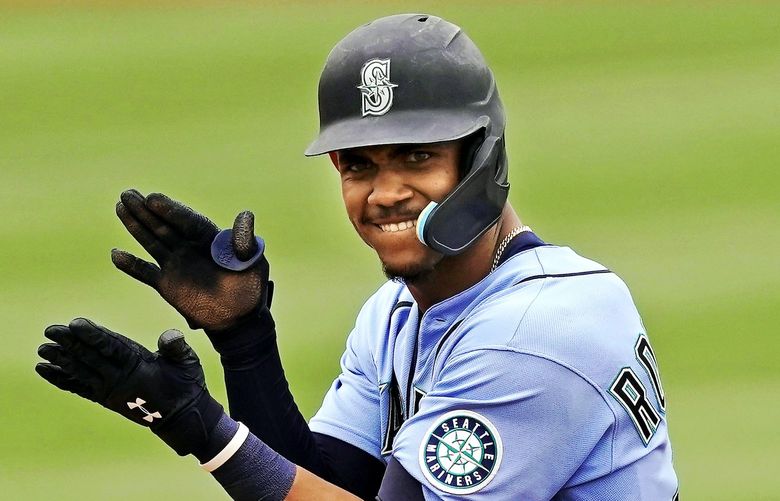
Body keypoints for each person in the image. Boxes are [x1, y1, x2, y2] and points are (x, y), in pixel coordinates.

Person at [36, 13, 679, 500]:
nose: (385, 193)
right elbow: (330, 482)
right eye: (359, 165)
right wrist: (245, 341)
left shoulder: (535, 333)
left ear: (483, 157)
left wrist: (203, 429)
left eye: (417, 156)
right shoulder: (398, 312)